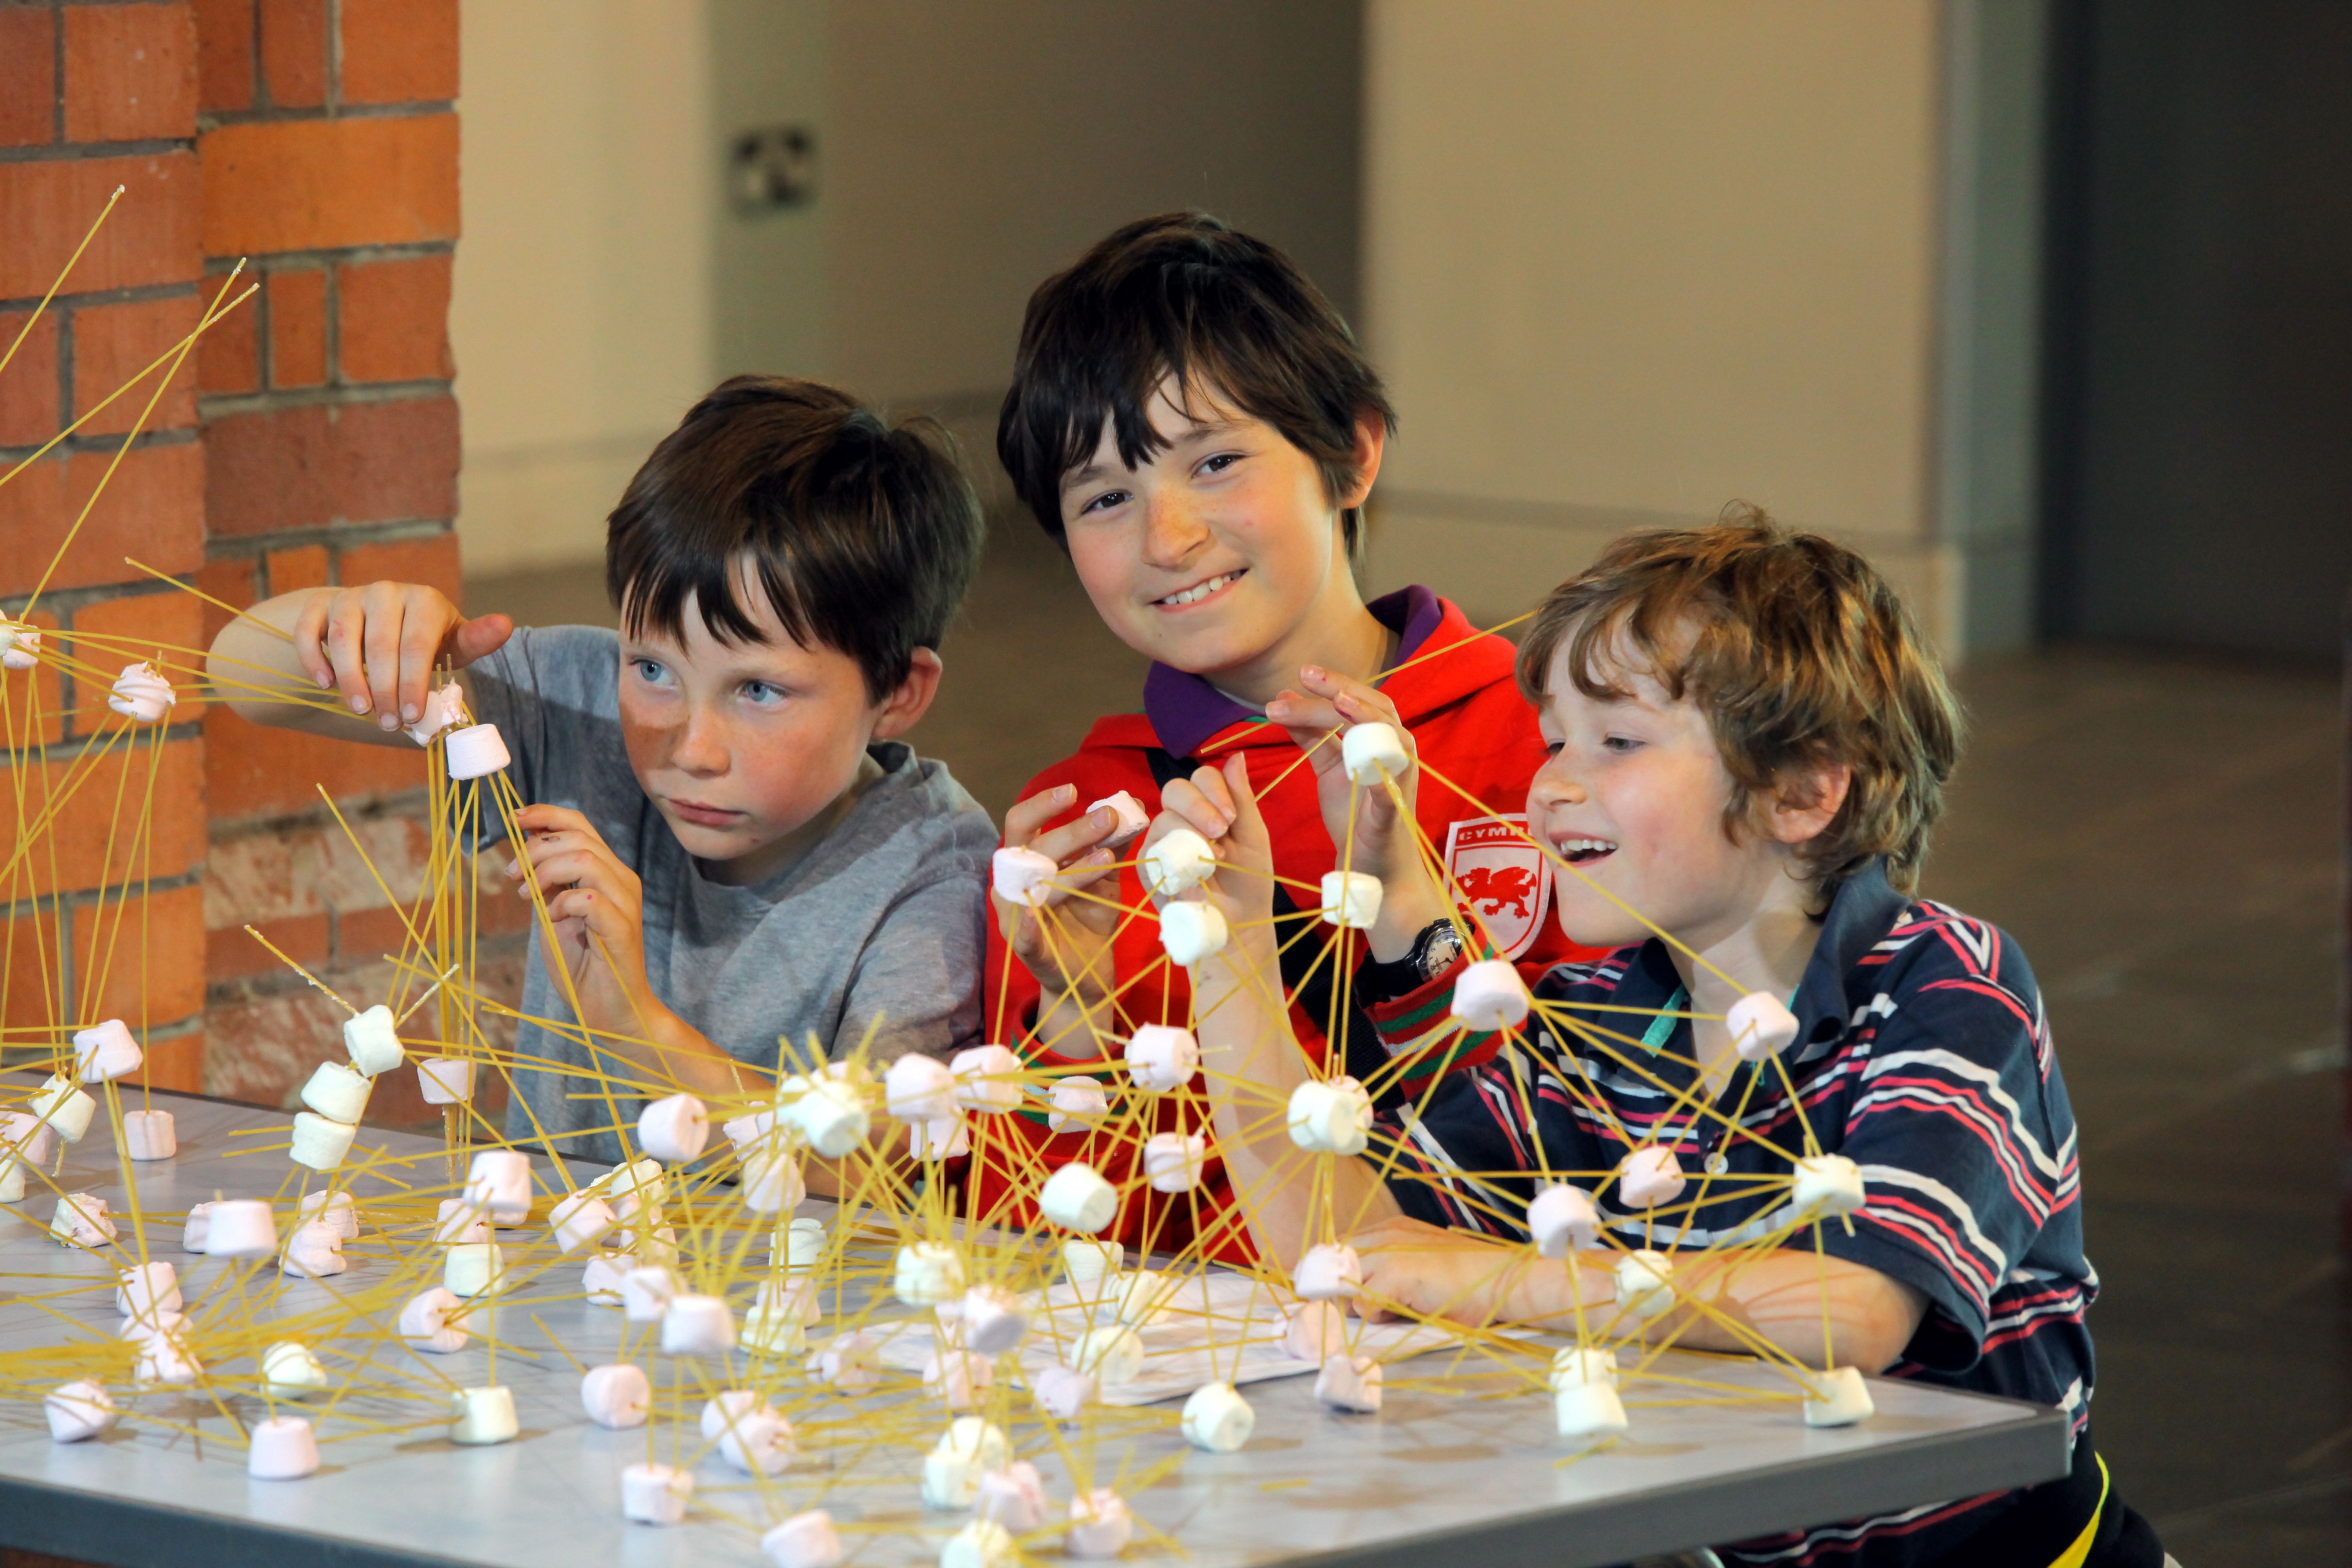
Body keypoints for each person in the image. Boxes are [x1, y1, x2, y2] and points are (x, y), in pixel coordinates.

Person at [1157, 513, 2167, 1567]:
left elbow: (1849, 1309)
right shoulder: (1601, 1010)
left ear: (1803, 791)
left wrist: (1440, 1273)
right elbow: (1342, 1236)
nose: (1548, 783)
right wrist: (1225, 952)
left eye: (1619, 742)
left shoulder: (1946, 980)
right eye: (1554, 739)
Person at [978, 211, 1600, 1260]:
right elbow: (1035, 1232)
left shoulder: (1552, 738)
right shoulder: (1082, 832)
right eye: (1106, 496)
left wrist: (1419, 915)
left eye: (1215, 462)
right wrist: (1071, 1024)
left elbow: (1627, 1128)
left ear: (1351, 455)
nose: (1168, 539)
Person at [208, 376, 997, 1170]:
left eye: (758, 690)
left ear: (899, 693)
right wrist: (357, 626)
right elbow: (241, 679)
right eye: (652, 667)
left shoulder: (934, 870)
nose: (691, 747)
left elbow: (873, 1173)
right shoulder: (584, 702)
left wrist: (638, 1026)